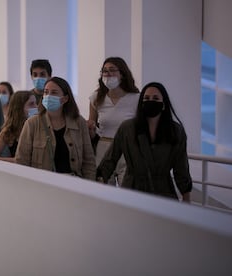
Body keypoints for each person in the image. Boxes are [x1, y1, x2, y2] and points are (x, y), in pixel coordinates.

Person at [96, 82, 192, 201]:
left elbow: (181, 167)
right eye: (146, 98)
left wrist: (186, 196)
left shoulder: (176, 131)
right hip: (132, 190)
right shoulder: (127, 128)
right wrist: (100, 180)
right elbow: (110, 158)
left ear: (163, 104)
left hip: (163, 192)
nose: (150, 101)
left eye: (155, 98)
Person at [15, 77, 96, 180]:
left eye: (54, 92)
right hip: (42, 184)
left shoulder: (79, 122)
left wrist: (89, 186)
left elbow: (88, 161)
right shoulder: (32, 123)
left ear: (65, 99)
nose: (48, 96)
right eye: (46, 92)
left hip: (73, 183)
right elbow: (22, 161)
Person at [87, 57, 139, 185]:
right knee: (103, 191)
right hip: (104, 149)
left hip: (127, 149)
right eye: (104, 71)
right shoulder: (96, 97)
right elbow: (91, 126)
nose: (108, 74)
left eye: (112, 70)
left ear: (122, 74)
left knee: (126, 190)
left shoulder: (136, 98)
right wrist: (91, 128)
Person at [0, 91, 38, 163]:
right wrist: (16, 160)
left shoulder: (40, 126)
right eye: (31, 104)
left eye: (35, 103)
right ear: (19, 108)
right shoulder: (9, 130)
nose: (36, 107)